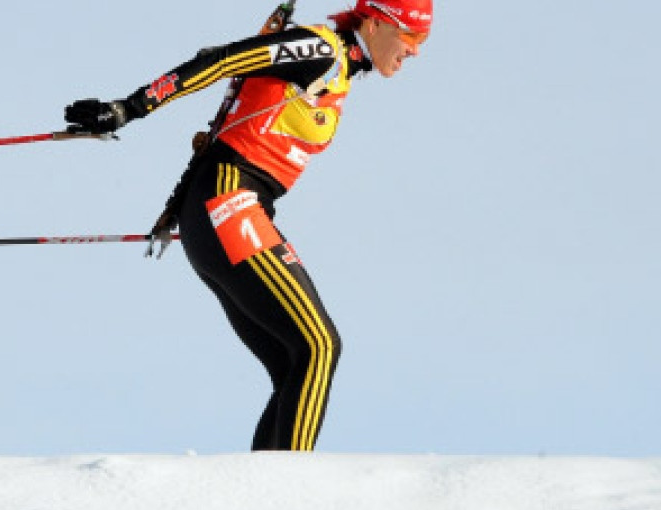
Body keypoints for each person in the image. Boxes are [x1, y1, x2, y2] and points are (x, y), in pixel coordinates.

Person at [64, 0, 432, 451]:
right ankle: (289, 483)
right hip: (226, 200)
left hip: (228, 211)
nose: (415, 50)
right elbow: (223, 60)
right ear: (373, 24)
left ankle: (259, 485)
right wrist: (129, 107)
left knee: (294, 362)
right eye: (411, 36)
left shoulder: (340, 70)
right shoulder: (320, 48)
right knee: (319, 346)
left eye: (422, 40)